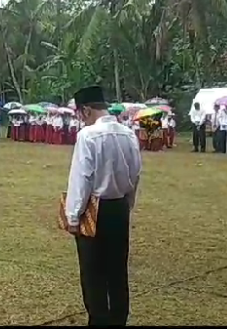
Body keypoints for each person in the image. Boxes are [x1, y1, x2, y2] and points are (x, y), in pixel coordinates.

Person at [65, 85, 142, 327]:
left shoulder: (87, 136)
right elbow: (136, 172)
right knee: (117, 271)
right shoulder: (128, 134)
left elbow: (82, 178)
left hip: (94, 209)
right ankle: (119, 320)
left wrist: (73, 216)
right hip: (119, 207)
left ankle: (98, 320)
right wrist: (128, 202)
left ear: (86, 111)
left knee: (92, 271)